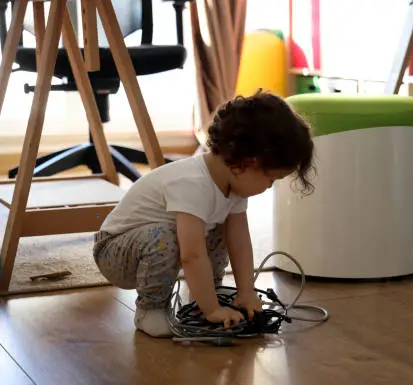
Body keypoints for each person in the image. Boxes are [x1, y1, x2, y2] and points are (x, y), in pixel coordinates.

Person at [92, 91, 315, 338]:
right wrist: (212, 311)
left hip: (154, 245)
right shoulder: (193, 184)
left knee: (220, 231)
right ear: (249, 163)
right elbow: (192, 255)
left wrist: (246, 292)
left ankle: (205, 296)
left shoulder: (235, 186)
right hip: (115, 253)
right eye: (271, 178)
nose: (269, 186)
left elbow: (239, 242)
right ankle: (150, 309)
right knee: (166, 237)